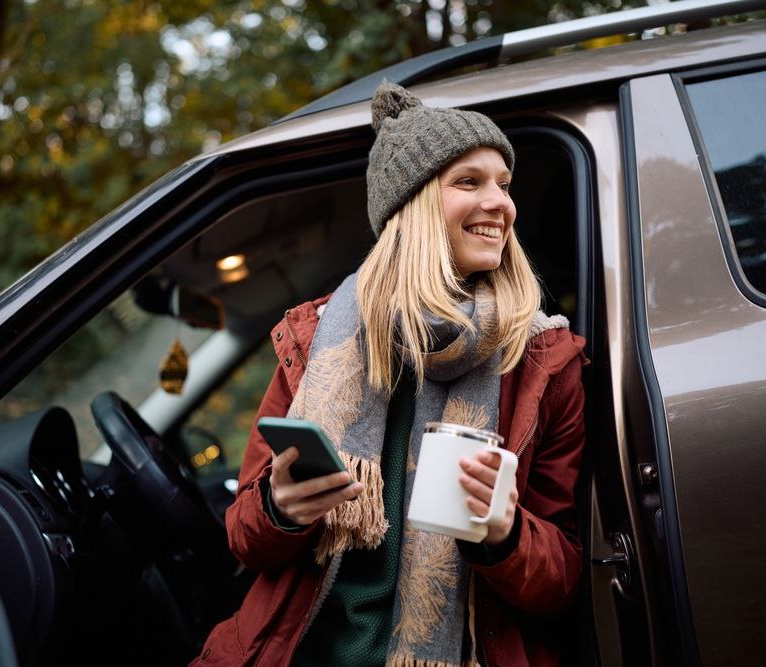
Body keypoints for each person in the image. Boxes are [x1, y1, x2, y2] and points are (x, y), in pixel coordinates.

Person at [193, 82, 587, 667]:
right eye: (469, 182)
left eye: (504, 185)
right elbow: (245, 539)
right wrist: (280, 509)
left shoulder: (542, 360)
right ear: (413, 206)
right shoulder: (315, 340)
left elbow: (565, 582)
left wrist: (505, 534)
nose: (501, 203)